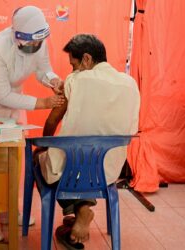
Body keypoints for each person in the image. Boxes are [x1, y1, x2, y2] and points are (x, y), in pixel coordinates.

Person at [0, 6, 65, 242]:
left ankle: (8, 210)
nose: (34, 48)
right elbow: (0, 95)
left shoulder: (38, 38)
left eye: (37, 44)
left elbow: (43, 69)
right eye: (29, 44)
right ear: (16, 36)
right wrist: (43, 102)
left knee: (12, 156)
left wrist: (53, 80)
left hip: (13, 99)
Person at [34, 34, 140, 248]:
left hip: (73, 171)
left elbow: (53, 120)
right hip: (108, 170)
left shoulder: (76, 81)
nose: (73, 70)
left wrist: (43, 146)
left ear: (87, 59)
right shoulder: (129, 84)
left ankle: (82, 211)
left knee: (43, 160)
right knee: (79, 165)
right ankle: (80, 210)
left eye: (74, 65)